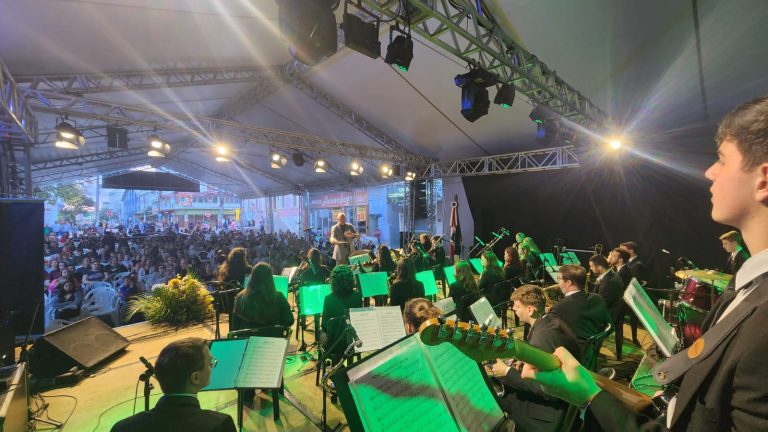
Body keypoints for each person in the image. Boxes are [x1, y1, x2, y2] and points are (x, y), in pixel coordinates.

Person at [521, 96, 768, 431]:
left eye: (722, 160)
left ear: (763, 180)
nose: (709, 171)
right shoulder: (748, 286)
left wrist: (590, 398)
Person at [490, 285, 581, 432]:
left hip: (549, 412)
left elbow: (548, 391)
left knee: (491, 399)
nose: (513, 309)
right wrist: (525, 359)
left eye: (517, 306)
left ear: (530, 310)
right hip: (567, 399)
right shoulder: (550, 320)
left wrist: (507, 372)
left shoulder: (541, 339)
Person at [111, 337, 236, 432]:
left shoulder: (121, 428)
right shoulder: (219, 425)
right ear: (195, 377)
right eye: (210, 363)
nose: (212, 367)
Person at [548, 264, 612, 344]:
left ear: (568, 283)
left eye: (559, 278)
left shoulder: (559, 308)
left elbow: (547, 332)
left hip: (572, 349)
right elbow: (610, 326)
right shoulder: (597, 299)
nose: (558, 282)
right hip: (591, 347)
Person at [230, 262, 294, 332]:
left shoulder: (240, 297)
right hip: (272, 336)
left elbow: (235, 326)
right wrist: (276, 324)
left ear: (252, 277)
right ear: (270, 279)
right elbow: (289, 320)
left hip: (247, 337)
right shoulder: (278, 296)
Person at [321, 265, 363, 363]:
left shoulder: (328, 299)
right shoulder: (357, 296)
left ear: (333, 281)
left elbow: (325, 327)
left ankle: (334, 364)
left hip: (334, 344)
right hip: (353, 341)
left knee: (321, 333)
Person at [588, 254, 625, 360]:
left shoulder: (608, 283)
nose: (590, 269)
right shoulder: (611, 274)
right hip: (611, 310)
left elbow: (599, 307)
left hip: (608, 317)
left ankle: (586, 353)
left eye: (592, 266)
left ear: (600, 267)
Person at [620, 241, 647, 344]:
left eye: (622, 250)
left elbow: (632, 281)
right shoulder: (628, 262)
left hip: (632, 296)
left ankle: (634, 338)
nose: (620, 252)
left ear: (631, 251)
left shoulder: (637, 264)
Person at [478, 250, 507, 323]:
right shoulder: (500, 271)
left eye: (482, 260)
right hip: (499, 299)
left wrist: (480, 277)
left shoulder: (486, 273)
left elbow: (478, 287)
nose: (481, 262)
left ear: (488, 261)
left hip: (489, 300)